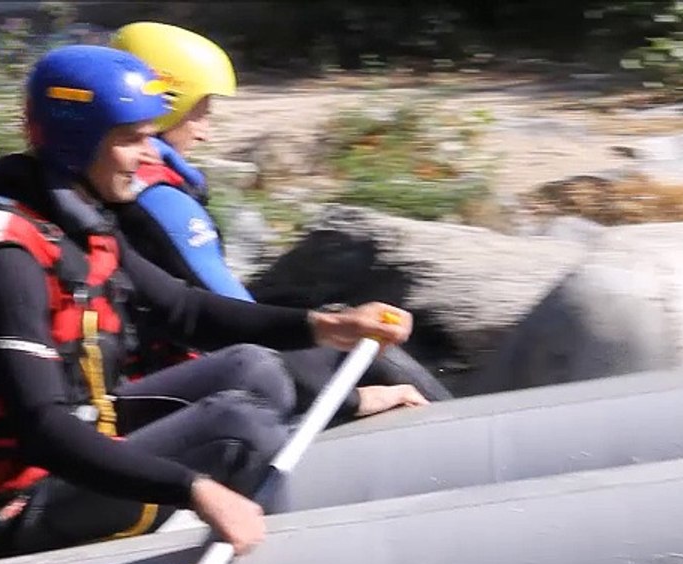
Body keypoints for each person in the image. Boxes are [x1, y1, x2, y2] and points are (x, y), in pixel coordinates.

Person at [0, 45, 414, 564]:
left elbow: (184, 309)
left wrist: (327, 326)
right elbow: (41, 429)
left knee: (254, 367)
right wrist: (193, 487)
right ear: (78, 143)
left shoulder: (73, 217)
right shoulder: (0, 257)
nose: (151, 155)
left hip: (80, 441)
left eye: (151, 136)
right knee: (239, 428)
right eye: (132, 139)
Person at [109, 22, 449, 421]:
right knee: (366, 349)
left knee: (341, 327)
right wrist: (352, 400)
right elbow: (234, 322)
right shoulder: (160, 200)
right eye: (201, 111)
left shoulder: (106, 194)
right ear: (168, 104)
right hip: (181, 389)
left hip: (159, 375)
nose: (205, 132)